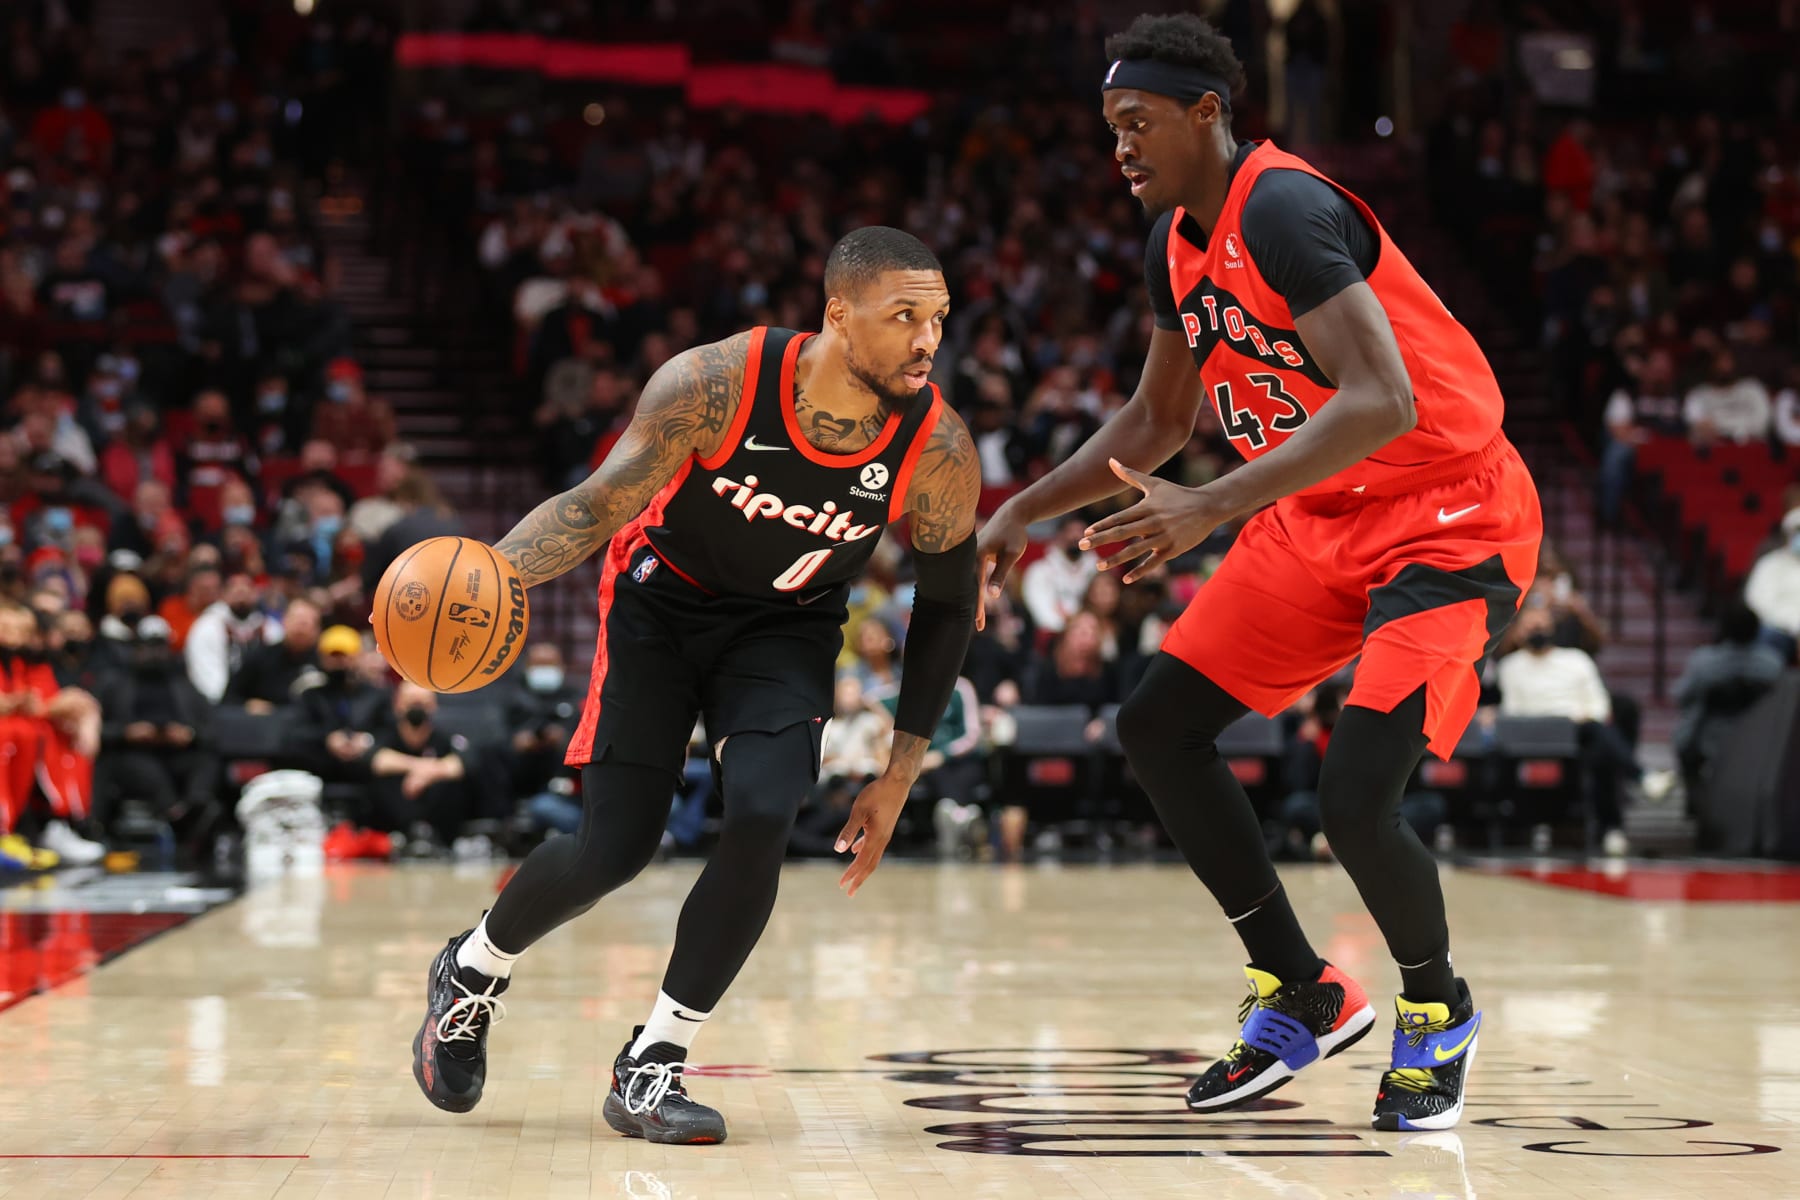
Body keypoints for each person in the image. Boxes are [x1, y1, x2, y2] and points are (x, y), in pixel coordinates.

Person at [976, 15, 1541, 1132]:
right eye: (1110, 127)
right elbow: (1158, 418)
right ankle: (1301, 989)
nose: (1120, 146)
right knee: (1157, 726)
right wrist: (1022, 511)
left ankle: (1438, 1010)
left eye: (1137, 122)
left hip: (1447, 515)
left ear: (1207, 114)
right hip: (1318, 515)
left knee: (1354, 800)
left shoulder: (1282, 207)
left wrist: (1210, 505)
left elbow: (1384, 399)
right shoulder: (1172, 244)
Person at [410, 226, 981, 1146]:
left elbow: (948, 605)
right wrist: (494, 574)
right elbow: (598, 505)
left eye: (939, 319)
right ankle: (472, 969)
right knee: (614, 848)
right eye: (904, 316)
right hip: (661, 607)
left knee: (765, 812)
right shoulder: (716, 383)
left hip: (786, 629)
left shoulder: (938, 445)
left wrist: (900, 773)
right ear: (839, 315)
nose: (927, 341)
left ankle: (654, 1062)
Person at [1672, 603, 1786, 815]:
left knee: (1684, 739)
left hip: (1708, 740)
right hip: (1762, 740)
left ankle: (1695, 801)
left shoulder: (1704, 663)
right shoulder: (1772, 664)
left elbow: (1680, 696)